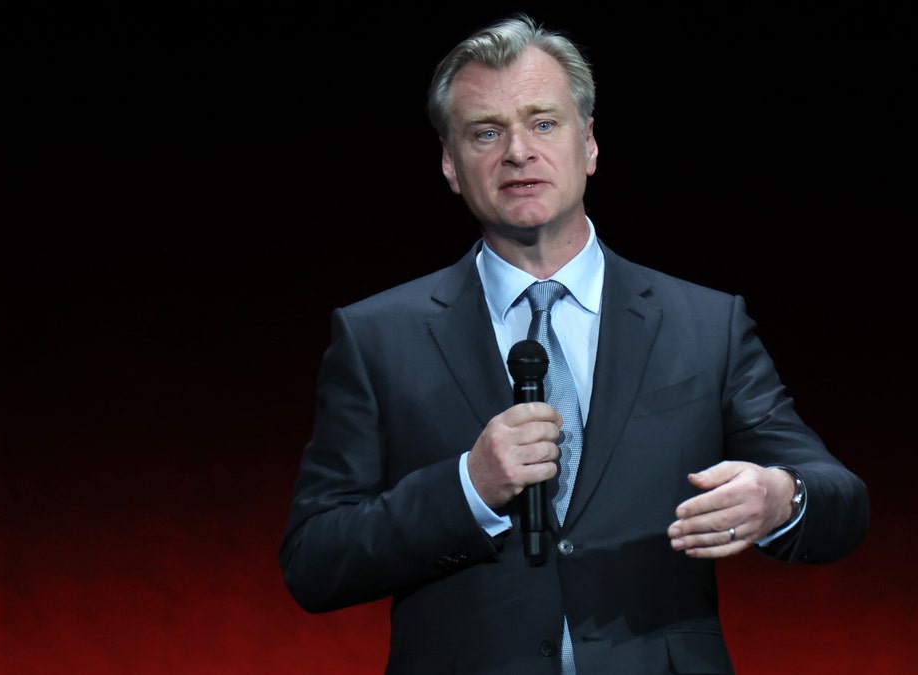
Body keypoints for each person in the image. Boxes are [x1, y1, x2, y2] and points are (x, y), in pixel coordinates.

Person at [278, 12, 869, 675]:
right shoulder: (377, 335)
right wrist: (466, 487)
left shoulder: (704, 323)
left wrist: (781, 497)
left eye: (544, 123)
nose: (518, 152)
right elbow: (314, 561)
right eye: (486, 132)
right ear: (450, 163)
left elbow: (840, 501)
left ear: (589, 144)